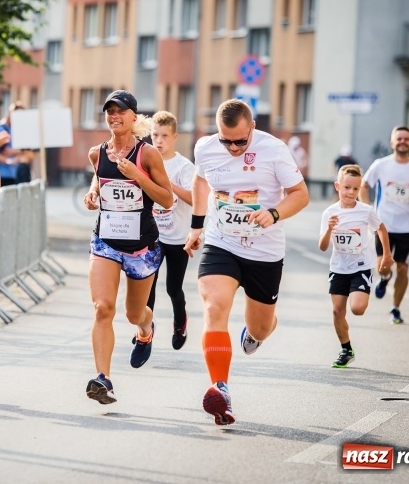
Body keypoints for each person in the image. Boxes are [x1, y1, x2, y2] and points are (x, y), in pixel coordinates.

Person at [183, 99, 309, 426]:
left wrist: (274, 212)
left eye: (241, 140)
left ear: (252, 127)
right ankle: (220, 387)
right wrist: (197, 226)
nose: (234, 147)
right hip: (221, 242)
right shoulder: (206, 148)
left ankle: (256, 332)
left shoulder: (274, 150)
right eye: (227, 141)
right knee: (214, 307)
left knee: (260, 326)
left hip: (264, 252)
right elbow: (200, 181)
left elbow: (300, 193)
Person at [82, 90, 173, 404]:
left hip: (141, 247)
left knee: (133, 312)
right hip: (106, 240)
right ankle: (103, 379)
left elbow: (167, 199)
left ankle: (146, 329)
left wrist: (137, 176)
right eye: (109, 111)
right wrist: (93, 194)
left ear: (134, 116)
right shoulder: (97, 153)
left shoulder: (147, 155)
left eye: (120, 111)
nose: (114, 116)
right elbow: (100, 179)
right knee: (102, 308)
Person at [319, 164, 393, 367]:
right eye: (347, 187)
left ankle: (365, 292)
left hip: (361, 266)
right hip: (339, 268)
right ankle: (346, 349)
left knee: (358, 309)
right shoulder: (329, 213)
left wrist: (386, 256)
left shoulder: (365, 211)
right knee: (337, 312)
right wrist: (329, 229)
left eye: (355, 188)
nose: (351, 192)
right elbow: (323, 246)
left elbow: (382, 230)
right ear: (338, 186)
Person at [360, 126, 409, 324]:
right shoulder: (381, 165)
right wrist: (367, 208)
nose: (403, 142)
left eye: (406, 139)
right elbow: (364, 185)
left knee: (402, 269)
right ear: (392, 142)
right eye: (399, 138)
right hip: (382, 224)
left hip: (408, 227)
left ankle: (395, 309)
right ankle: (384, 279)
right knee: (383, 266)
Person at [148, 110, 194, 350]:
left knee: (173, 288)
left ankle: (180, 322)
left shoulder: (184, 166)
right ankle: (146, 329)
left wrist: (169, 184)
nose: (159, 141)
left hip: (178, 237)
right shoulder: (146, 160)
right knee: (148, 284)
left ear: (174, 137)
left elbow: (194, 198)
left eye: (164, 136)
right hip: (154, 235)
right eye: (155, 135)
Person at [0, 102, 24, 186]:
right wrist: (9, 161)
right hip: (2, 175)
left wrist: (16, 151)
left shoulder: (13, 129)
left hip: (13, 174)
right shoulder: (0, 129)